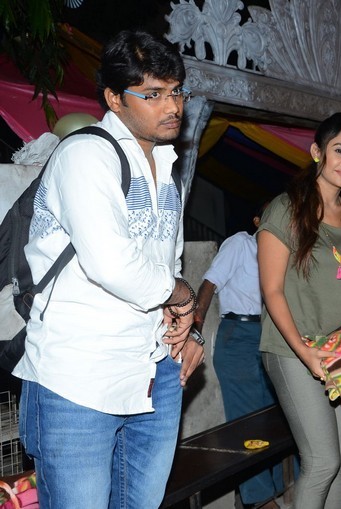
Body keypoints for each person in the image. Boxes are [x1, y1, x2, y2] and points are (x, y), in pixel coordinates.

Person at [13, 30, 204, 507]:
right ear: (114, 99)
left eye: (177, 91)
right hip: (78, 375)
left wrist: (187, 331)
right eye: (153, 94)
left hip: (154, 368)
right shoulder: (85, 154)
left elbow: (167, 263)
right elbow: (113, 264)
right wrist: (183, 298)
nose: (172, 106)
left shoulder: (167, 165)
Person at [258, 112, 341, 509]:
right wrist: (304, 351)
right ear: (317, 152)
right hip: (291, 347)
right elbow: (272, 290)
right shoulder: (285, 209)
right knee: (322, 461)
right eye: (339, 151)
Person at [194, 210, 283, 508]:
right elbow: (209, 284)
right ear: (256, 220)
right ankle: (259, 499)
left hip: (272, 334)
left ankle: (279, 487)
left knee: (276, 417)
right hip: (239, 333)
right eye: (271, 213)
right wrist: (194, 332)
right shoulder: (240, 245)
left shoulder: (282, 251)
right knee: (247, 422)